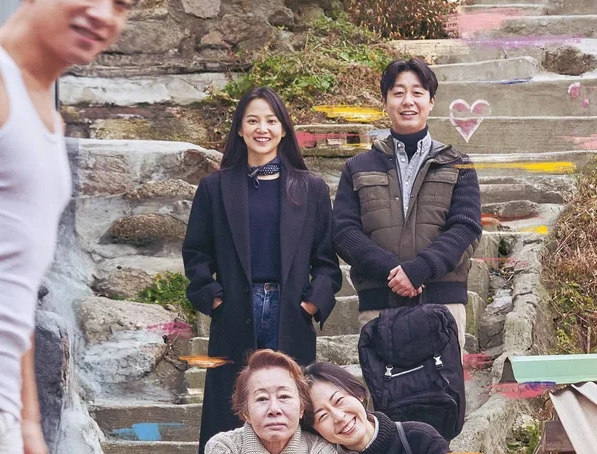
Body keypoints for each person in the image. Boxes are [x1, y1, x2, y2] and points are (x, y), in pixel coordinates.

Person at [0, 0, 153, 453]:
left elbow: (14, 288)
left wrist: (28, 422)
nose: (103, 14)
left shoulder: (46, 115)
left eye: (121, 2)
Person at [182, 86, 342, 451]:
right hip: (236, 309)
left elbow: (326, 261)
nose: (262, 129)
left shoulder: (311, 188)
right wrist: (216, 300)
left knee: (289, 406)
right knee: (231, 407)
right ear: (240, 129)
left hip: (290, 311)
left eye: (271, 121)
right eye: (252, 120)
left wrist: (310, 305)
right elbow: (196, 254)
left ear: (283, 129)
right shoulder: (214, 188)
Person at [331, 58, 482, 351]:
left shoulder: (458, 164)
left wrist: (420, 269)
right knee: (382, 382)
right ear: (385, 101)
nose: (408, 101)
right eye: (398, 93)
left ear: (431, 101)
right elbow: (344, 231)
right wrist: (392, 270)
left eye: (417, 92)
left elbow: (466, 227)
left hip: (443, 305)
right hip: (379, 307)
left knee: (443, 382)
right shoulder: (358, 166)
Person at [205, 350, 337, 454]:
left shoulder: (319, 450)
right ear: (246, 413)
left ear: (301, 408)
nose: (274, 409)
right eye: (262, 399)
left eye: (284, 396)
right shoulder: (224, 446)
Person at [303, 362, 449, 454]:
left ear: (358, 394)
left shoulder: (420, 438)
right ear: (316, 430)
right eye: (322, 416)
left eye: (339, 400)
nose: (339, 417)